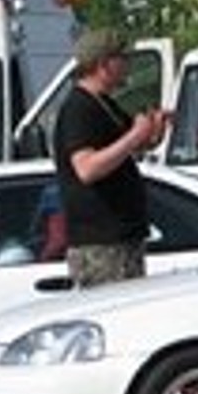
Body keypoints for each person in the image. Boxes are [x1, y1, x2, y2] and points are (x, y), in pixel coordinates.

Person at [53, 27, 166, 288]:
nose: (127, 65)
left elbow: (132, 148)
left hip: (123, 238)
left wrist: (154, 130)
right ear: (103, 64)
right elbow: (87, 168)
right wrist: (135, 136)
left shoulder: (106, 104)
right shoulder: (79, 109)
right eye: (122, 59)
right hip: (100, 244)